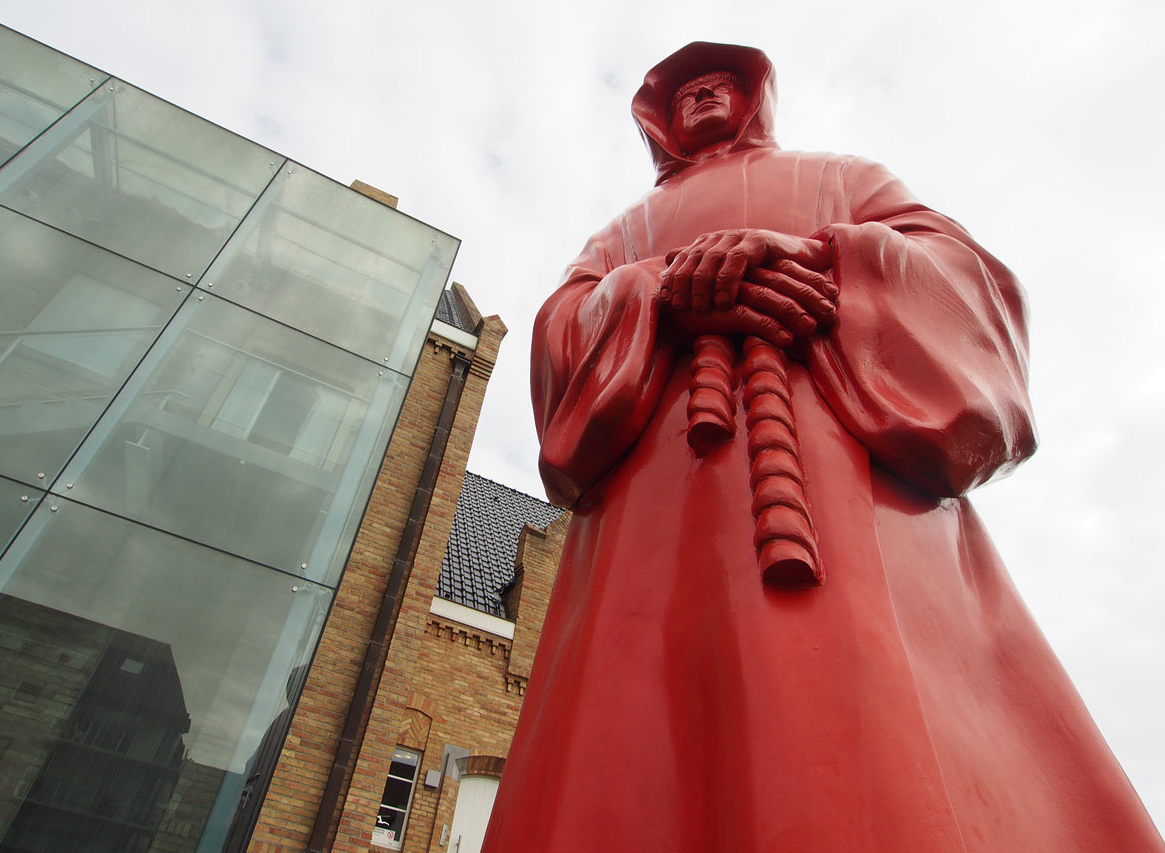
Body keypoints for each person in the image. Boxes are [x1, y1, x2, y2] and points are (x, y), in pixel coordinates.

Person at [482, 42, 1163, 851]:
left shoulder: (845, 178)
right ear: (656, 121)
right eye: (683, 89)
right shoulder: (620, 236)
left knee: (854, 707)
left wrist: (814, 261)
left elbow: (968, 287)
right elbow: (561, 337)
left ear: (757, 96)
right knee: (638, 715)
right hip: (658, 497)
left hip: (837, 482)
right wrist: (658, 289)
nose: (701, 91)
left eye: (721, 82)